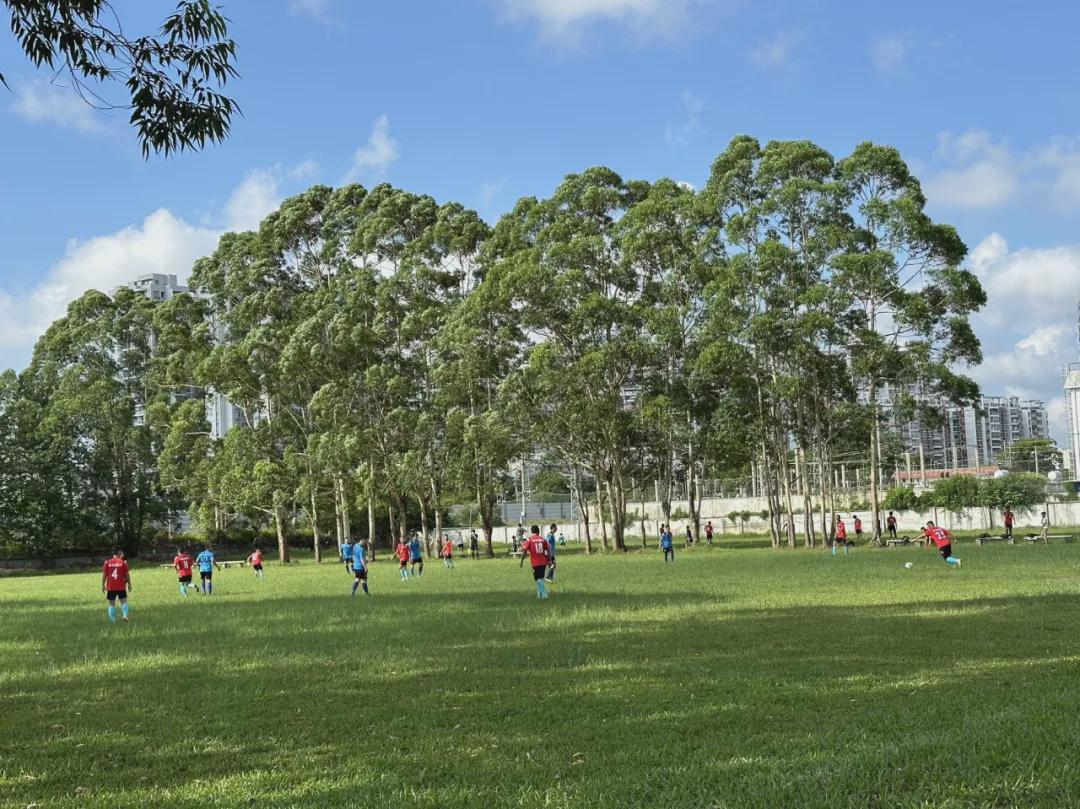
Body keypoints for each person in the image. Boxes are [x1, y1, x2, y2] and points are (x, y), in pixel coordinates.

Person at [519, 525, 551, 599]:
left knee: (538, 579)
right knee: (541, 578)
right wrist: (549, 560)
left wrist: (522, 560)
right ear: (538, 531)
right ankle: (539, 595)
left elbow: (524, 550)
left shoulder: (529, 540)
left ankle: (544, 594)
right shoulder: (543, 539)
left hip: (535, 563)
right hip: (543, 562)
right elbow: (548, 550)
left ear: (532, 531)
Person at [101, 549, 132, 623]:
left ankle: (113, 621)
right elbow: (127, 574)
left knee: (111, 604)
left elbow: (104, 575)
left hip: (110, 586)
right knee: (124, 601)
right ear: (120, 554)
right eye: (122, 555)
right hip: (121, 586)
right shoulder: (123, 562)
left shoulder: (108, 563)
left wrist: (103, 585)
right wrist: (129, 584)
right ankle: (124, 615)